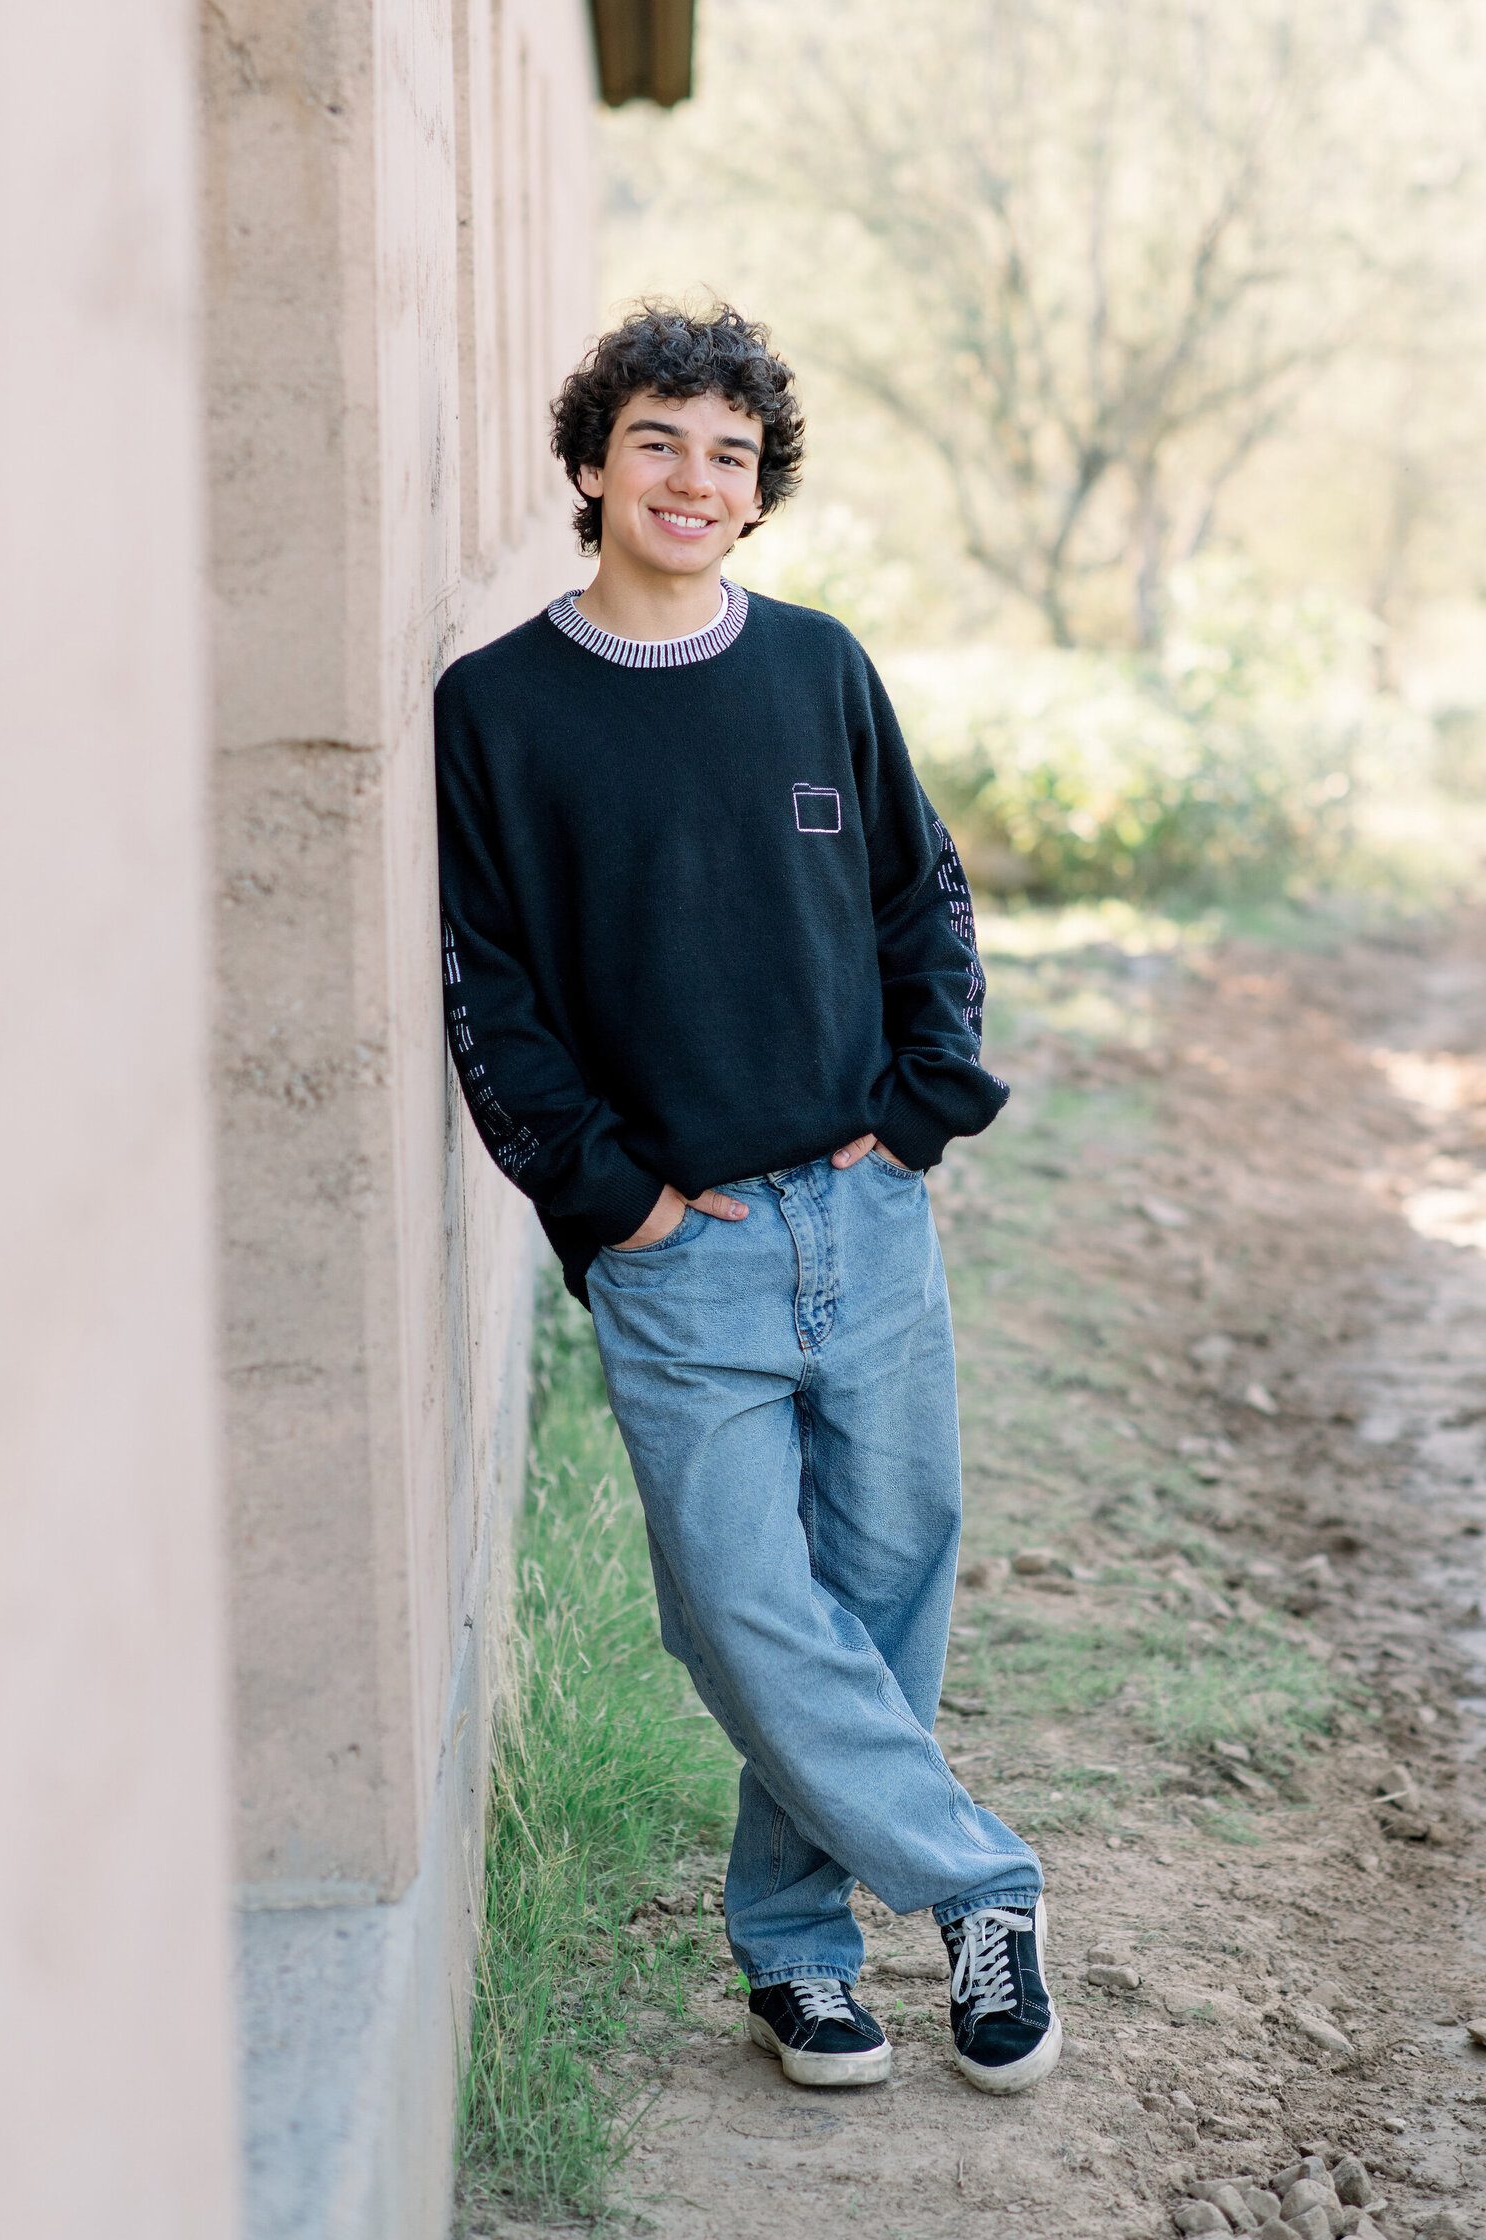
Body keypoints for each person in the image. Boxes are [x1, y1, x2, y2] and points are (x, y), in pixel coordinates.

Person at [434, 302, 1060, 2096]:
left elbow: (920, 896)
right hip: (677, 1252)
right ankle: (981, 1886)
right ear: (589, 465)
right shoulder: (496, 709)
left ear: (758, 487)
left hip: (862, 1222)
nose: (694, 479)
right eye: (658, 443)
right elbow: (491, 986)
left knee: (881, 1588)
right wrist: (606, 1196)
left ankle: (798, 1956)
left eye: (729, 453)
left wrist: (925, 1100)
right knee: (735, 1603)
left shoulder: (819, 667)